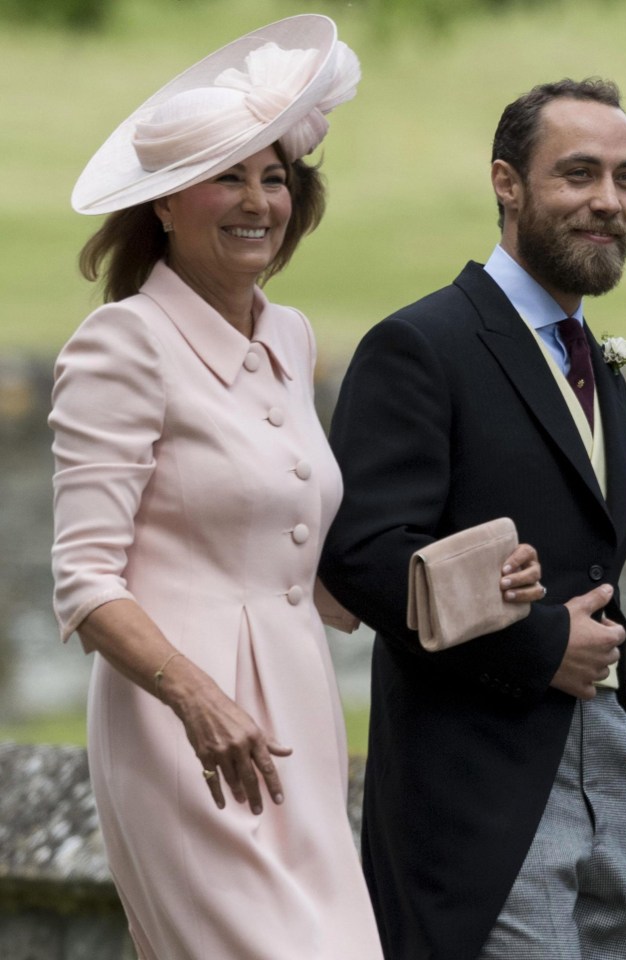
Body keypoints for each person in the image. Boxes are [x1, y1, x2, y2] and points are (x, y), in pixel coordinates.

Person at [49, 15, 384, 960]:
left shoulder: (293, 338)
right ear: (162, 203)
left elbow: (292, 546)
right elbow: (85, 582)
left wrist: (454, 586)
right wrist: (195, 697)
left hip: (299, 717)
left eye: (273, 176)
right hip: (181, 730)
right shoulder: (124, 345)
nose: (258, 201)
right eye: (226, 176)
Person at [319, 78, 626, 960]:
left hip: (611, 766)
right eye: (578, 174)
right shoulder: (420, 345)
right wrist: (540, 645)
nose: (609, 202)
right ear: (506, 183)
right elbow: (360, 555)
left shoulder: (601, 366)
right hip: (475, 788)